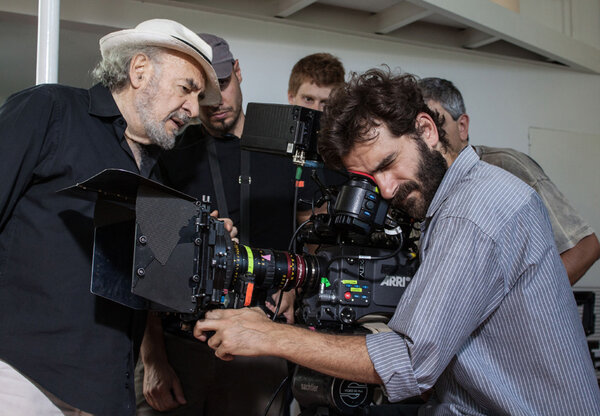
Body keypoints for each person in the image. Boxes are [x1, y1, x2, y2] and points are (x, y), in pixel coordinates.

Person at [194, 69, 600, 415]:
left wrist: (268, 335)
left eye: (388, 164)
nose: (386, 189)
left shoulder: (472, 210)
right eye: (371, 179)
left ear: (426, 130)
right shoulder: (457, 199)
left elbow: (410, 361)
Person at [0, 19, 224, 415]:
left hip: (105, 392)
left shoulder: (160, 170)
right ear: (140, 71)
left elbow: (157, 283)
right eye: (187, 88)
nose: (194, 109)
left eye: (199, 97)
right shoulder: (50, 110)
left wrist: (206, 247)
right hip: (20, 376)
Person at [136, 33, 306, 416]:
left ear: (239, 73)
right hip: (181, 346)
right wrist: (152, 359)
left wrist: (295, 283)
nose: (216, 103)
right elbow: (148, 263)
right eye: (204, 93)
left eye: (224, 85)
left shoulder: (285, 147)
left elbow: (311, 230)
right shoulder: (171, 153)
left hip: (263, 343)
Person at [419, 77, 600, 285]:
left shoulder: (505, 165)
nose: (426, 138)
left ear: (462, 126)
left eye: (433, 124)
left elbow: (585, 247)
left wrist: (522, 304)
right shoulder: (425, 187)